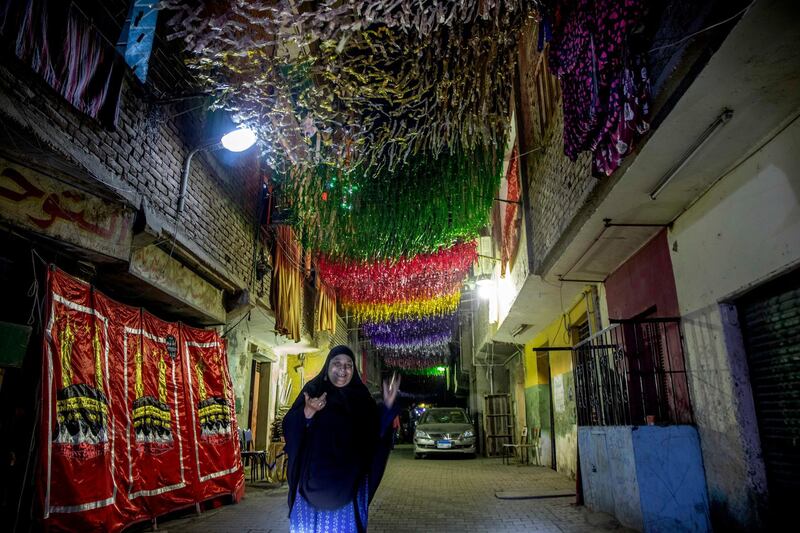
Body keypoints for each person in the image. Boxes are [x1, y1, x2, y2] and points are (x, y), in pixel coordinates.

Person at [283, 345, 400, 532]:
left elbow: (375, 435)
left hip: (350, 488)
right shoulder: (313, 391)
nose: (342, 370)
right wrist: (308, 412)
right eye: (337, 364)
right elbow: (290, 427)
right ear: (328, 366)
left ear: (354, 370)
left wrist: (386, 408)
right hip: (309, 486)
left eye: (348, 365)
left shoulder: (362, 400)